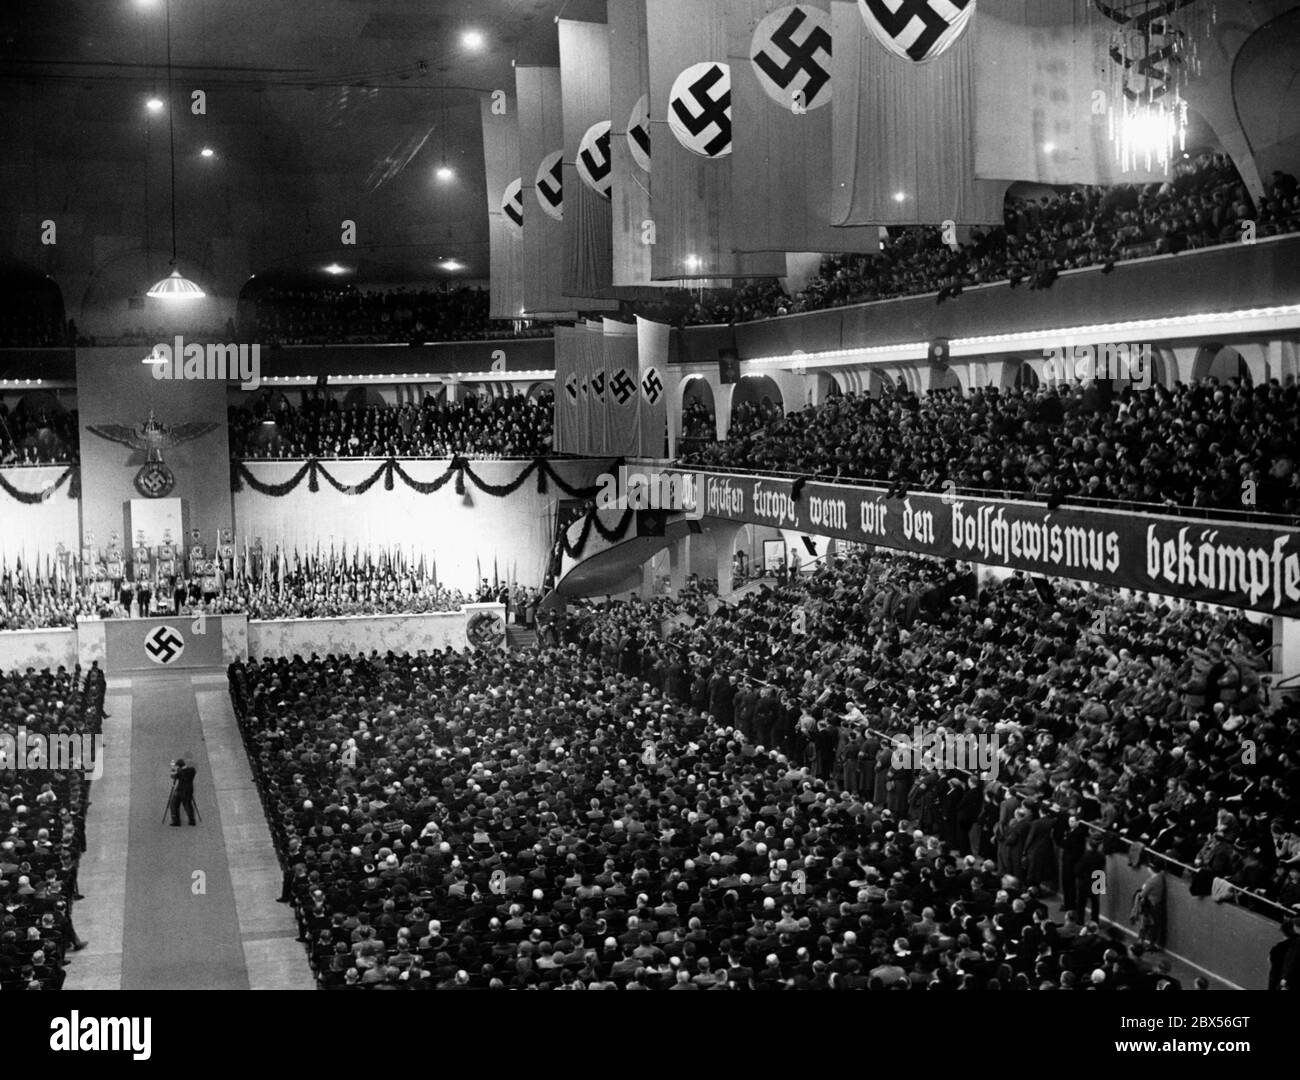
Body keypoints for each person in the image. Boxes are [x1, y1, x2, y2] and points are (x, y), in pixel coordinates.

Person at [169, 758, 198, 826]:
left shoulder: (180, 771)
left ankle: (176, 821)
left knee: (173, 805)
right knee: (188, 805)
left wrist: (173, 769)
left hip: (180, 790)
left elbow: (173, 776)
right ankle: (192, 821)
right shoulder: (192, 770)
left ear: (179, 766)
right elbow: (191, 770)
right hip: (189, 790)